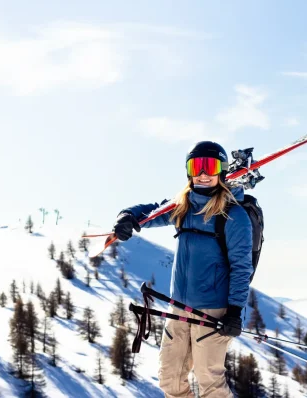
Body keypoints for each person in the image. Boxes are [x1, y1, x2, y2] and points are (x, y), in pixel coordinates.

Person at [113, 141, 253, 397]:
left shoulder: (234, 216)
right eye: (195, 166)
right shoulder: (183, 206)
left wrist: (234, 312)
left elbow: (242, 268)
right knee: (170, 380)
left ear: (221, 170)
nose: (202, 173)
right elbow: (150, 212)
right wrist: (126, 217)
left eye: (209, 166)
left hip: (213, 313)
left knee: (210, 383)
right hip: (178, 308)